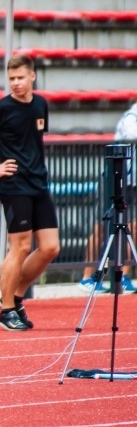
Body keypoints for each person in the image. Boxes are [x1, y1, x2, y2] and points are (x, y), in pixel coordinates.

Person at [0, 54, 60, 331]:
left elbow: (34, 141)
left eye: (20, 77)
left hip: (39, 184)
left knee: (51, 247)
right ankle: (6, 310)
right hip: (14, 185)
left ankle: (14, 296)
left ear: (32, 76)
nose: (16, 83)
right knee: (21, 246)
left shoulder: (40, 104)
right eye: (11, 78)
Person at [78, 101, 137, 293]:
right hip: (116, 179)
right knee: (102, 227)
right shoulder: (131, 117)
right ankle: (87, 277)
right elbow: (131, 136)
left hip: (134, 183)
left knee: (134, 228)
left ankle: (125, 276)